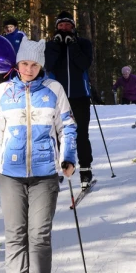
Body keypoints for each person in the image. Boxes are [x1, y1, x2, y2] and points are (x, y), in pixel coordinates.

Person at [0, 37, 77, 273]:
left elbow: (68, 127)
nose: (29, 69)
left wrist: (67, 157)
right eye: (24, 63)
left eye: (34, 64)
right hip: (10, 174)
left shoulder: (53, 89)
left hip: (45, 174)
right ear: (17, 64)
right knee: (15, 233)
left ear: (41, 65)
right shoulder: (2, 92)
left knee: (39, 235)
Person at [45, 11, 94, 189]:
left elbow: (84, 64)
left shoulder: (83, 43)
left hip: (80, 95)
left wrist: (73, 46)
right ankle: (60, 168)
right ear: (56, 28)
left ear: (73, 27)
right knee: (58, 134)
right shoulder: (51, 45)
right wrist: (57, 46)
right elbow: (48, 64)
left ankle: (86, 170)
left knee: (81, 134)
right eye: (61, 25)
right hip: (57, 98)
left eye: (68, 25)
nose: (64, 28)